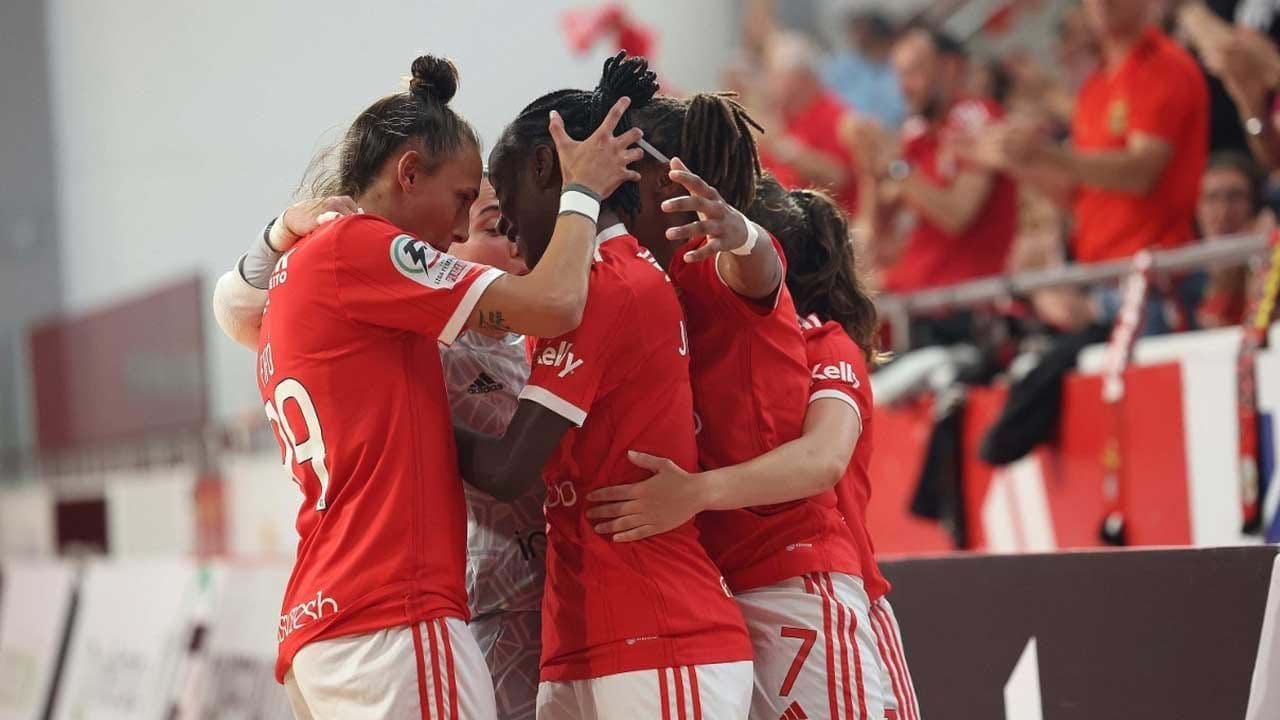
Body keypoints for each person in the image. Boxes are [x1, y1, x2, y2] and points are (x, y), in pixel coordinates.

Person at [211, 55, 645, 719]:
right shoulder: (363, 250)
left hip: (325, 623)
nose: (466, 226)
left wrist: (279, 230)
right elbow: (557, 302)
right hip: (396, 619)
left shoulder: (306, 276)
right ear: (408, 173)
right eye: (464, 200)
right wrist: (583, 192)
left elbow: (235, 306)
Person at [457, 53, 756, 719]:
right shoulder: (581, 288)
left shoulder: (605, 283)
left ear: (544, 170)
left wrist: (404, 412)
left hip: (661, 638)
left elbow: (508, 469)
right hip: (586, 638)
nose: (510, 237)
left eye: (506, 212)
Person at [573, 91, 889, 717]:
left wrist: (739, 232)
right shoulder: (639, 289)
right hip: (718, 592)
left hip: (798, 582)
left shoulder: (726, 277)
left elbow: (755, 265)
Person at [971, 0, 1210, 266]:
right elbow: (1077, 193)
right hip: (1105, 267)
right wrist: (1018, 160)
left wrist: (1044, 155)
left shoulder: (1162, 65)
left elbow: (1141, 172)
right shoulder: (1095, 86)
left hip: (1153, 265)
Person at [846, 26, 1018, 347]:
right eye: (899, 75)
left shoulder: (976, 118)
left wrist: (896, 169)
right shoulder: (916, 133)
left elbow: (957, 214)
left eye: (913, 72)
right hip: (912, 311)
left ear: (949, 68)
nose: (903, 87)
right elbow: (872, 234)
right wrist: (870, 166)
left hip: (961, 314)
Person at [442, 174, 543, 720]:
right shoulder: (429, 348)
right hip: (497, 611)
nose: (513, 241)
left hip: (573, 601)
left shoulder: (538, 338)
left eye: (515, 226)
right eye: (493, 226)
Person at [757, 32, 862, 214]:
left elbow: (838, 177)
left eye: (775, 75)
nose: (768, 83)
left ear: (801, 77)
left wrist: (782, 147)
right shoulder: (783, 116)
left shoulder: (836, 116)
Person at [1192, 151, 1269, 327]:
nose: (1223, 212)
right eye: (1211, 198)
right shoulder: (1181, 279)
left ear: (1255, 207)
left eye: (1235, 197)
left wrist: (1261, 264)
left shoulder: (1271, 262)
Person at [823, 10, 908, 129]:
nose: (857, 34)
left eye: (863, 26)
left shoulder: (903, 63)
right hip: (849, 134)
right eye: (854, 27)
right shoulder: (841, 66)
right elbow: (828, 103)